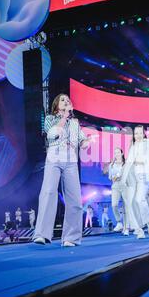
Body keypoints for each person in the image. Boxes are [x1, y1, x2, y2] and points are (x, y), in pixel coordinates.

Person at [33, 94, 91, 247]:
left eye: (68, 100)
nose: (66, 101)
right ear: (57, 104)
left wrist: (87, 142)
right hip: (54, 159)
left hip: (71, 162)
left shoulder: (74, 123)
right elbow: (52, 134)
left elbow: (82, 140)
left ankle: (71, 237)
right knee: (49, 193)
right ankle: (42, 234)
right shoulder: (50, 119)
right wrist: (64, 117)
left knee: (75, 200)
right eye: (63, 100)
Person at [107, 148, 127, 232]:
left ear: (122, 154)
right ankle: (119, 222)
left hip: (125, 185)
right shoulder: (111, 165)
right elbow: (110, 177)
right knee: (114, 205)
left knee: (126, 206)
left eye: (118, 152)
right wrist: (114, 177)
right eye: (115, 153)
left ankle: (126, 226)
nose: (116, 154)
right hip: (115, 186)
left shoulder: (126, 164)